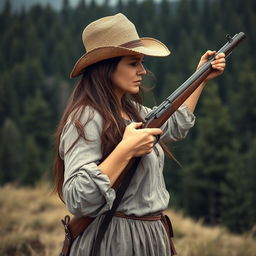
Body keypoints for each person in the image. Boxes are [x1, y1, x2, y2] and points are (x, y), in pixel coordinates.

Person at [53, 13, 226, 256]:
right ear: (106, 68)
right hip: (113, 241)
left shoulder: (131, 111)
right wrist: (125, 150)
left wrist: (201, 77)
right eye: (133, 63)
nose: (143, 71)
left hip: (151, 238)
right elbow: (77, 199)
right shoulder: (86, 117)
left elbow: (175, 124)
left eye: (142, 62)